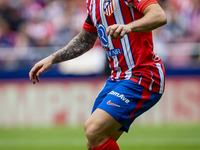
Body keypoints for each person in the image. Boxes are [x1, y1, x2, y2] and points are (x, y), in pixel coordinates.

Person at [29, 0, 167, 149]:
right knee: (94, 142)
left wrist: (129, 27)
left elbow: (159, 15)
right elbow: (85, 40)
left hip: (143, 74)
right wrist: (52, 58)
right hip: (117, 78)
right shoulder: (93, 3)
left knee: (94, 130)